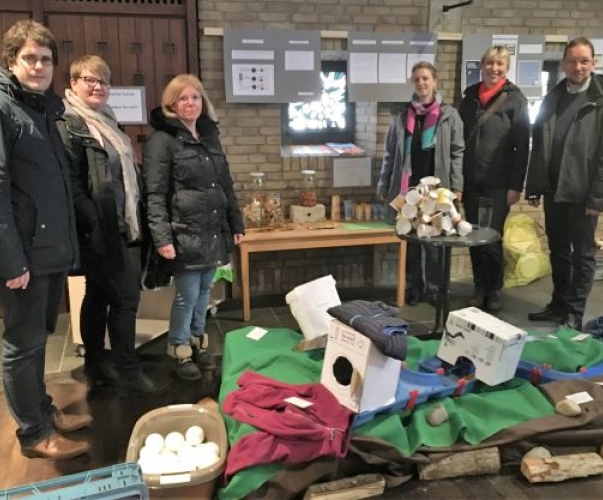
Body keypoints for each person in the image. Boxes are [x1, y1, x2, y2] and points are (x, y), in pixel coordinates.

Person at [0, 20, 90, 460]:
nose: (38, 66)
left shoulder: (43, 109)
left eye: (46, 59)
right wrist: (11, 261)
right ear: (11, 60)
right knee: (23, 345)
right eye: (29, 58)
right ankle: (33, 435)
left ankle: (43, 408)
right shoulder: (4, 109)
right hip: (24, 256)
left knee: (40, 337)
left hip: (49, 250)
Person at [56, 55, 160, 396]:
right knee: (126, 297)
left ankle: (97, 364)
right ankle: (127, 371)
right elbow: (72, 185)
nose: (98, 86)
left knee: (99, 294)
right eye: (90, 79)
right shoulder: (69, 123)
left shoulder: (107, 121)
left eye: (103, 81)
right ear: (73, 84)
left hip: (120, 223)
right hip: (100, 228)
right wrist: (94, 224)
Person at [143, 74, 244, 381]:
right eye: (183, 98)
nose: (190, 103)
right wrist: (162, 237)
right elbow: (155, 194)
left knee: (203, 294)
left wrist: (236, 222)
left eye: (195, 97)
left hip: (212, 231)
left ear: (203, 102)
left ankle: (199, 341)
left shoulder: (209, 137)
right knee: (187, 295)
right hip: (183, 233)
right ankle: (179, 347)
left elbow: (225, 185)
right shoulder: (161, 141)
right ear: (171, 103)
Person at [526, 37, 603, 332]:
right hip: (554, 188)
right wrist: (534, 184)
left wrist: (597, 198)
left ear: (593, 63)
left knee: (582, 254)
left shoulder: (599, 99)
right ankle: (558, 303)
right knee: (557, 248)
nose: (578, 66)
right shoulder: (554, 96)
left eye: (584, 61)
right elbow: (541, 143)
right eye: (572, 61)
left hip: (584, 193)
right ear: (563, 65)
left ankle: (574, 311)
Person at [378, 61, 464, 306]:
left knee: (437, 240)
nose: (421, 83)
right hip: (409, 189)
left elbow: (458, 152)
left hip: (438, 189)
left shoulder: (449, 115)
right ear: (412, 83)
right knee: (412, 240)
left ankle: (436, 290)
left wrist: (457, 185)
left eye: (426, 78)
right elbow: (390, 153)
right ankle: (414, 287)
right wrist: (384, 184)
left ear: (435, 81)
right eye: (417, 79)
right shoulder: (403, 115)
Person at [458, 45, 530, 312]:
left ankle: (494, 288)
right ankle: (479, 286)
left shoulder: (515, 100)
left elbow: (522, 147)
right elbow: (459, 138)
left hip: (499, 183)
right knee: (473, 235)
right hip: (471, 181)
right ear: (482, 65)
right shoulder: (469, 97)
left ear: (506, 68)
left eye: (500, 64)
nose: (494, 69)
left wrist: (515, 186)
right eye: (490, 63)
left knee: (492, 237)